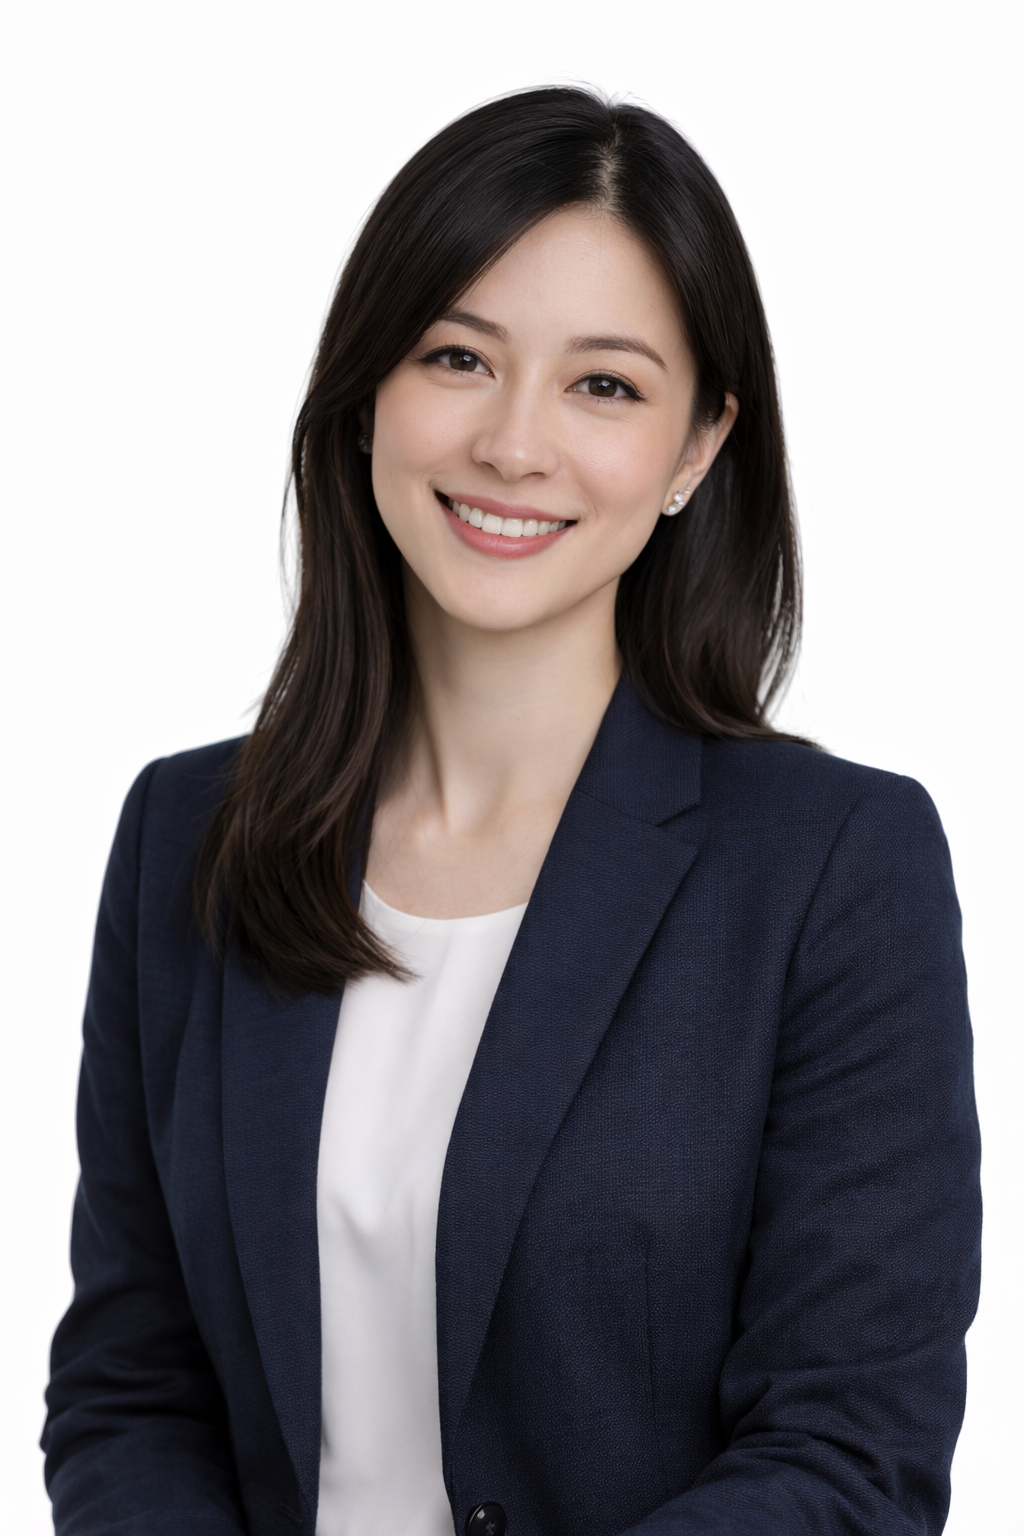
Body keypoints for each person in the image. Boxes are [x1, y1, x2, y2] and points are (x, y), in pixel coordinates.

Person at [42, 87, 981, 1536]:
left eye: (604, 384)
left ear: (695, 449)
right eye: (458, 357)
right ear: (369, 393)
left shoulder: (831, 869)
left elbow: (848, 1450)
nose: (513, 444)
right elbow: (130, 1389)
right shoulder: (189, 838)